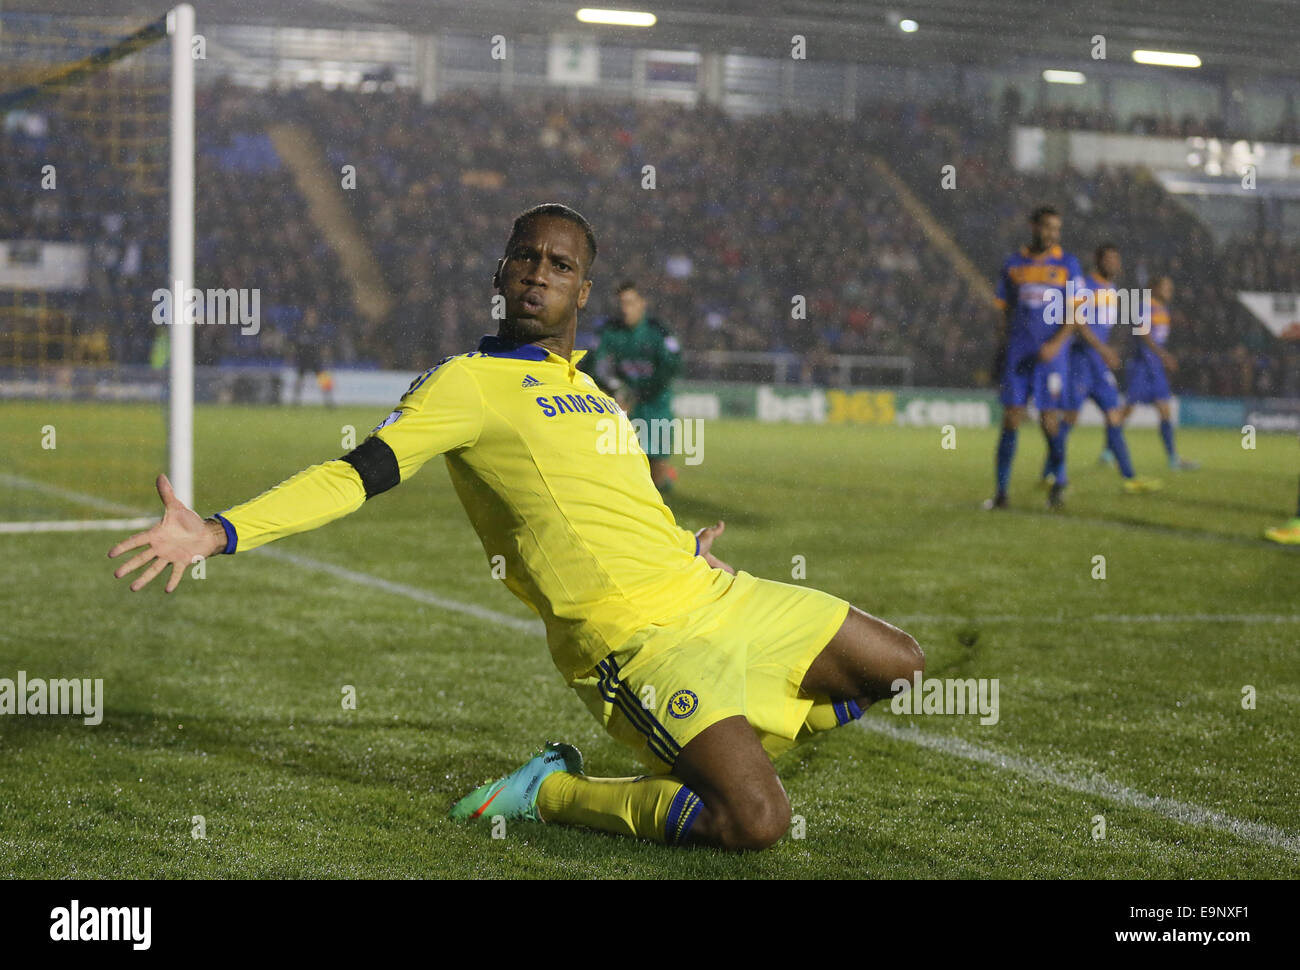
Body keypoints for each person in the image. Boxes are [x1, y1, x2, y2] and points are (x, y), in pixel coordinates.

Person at [108, 203, 923, 851]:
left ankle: (738, 730)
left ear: (583, 291)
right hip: (634, 639)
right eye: (525, 257)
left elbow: (611, 496)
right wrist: (220, 531)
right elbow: (359, 474)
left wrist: (682, 545)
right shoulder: (466, 384)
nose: (539, 273)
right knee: (756, 824)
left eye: (559, 264)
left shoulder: (592, 390)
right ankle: (551, 792)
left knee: (900, 665)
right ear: (501, 273)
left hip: (712, 592)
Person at [986, 205, 1083, 511]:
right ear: (1033, 226)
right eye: (1047, 227)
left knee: (1048, 421)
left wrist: (1056, 344)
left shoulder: (1068, 264)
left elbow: (1076, 312)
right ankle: (1001, 493)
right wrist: (1002, 348)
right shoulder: (1014, 263)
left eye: (1056, 229)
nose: (1052, 234)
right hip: (1019, 353)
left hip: (1052, 357)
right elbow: (1005, 310)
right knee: (1011, 419)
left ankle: (1060, 480)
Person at [1048, 243, 1161, 494]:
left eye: (1116, 259)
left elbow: (1107, 325)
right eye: (1109, 259)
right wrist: (1102, 349)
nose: (1114, 264)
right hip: (1080, 362)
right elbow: (1078, 323)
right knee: (1069, 419)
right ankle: (1052, 470)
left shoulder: (1113, 290)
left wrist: (1111, 349)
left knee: (1114, 417)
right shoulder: (1086, 287)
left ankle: (1130, 477)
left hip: (1099, 366)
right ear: (1097, 261)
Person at [582, 281, 682, 493]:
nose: (624, 308)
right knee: (614, 467)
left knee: (656, 476)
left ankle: (665, 479)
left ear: (642, 304)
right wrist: (611, 390)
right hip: (623, 405)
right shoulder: (609, 331)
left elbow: (672, 367)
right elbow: (591, 365)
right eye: (621, 303)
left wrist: (639, 393)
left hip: (655, 405)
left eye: (630, 302)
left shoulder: (658, 331)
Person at [1120, 275, 1198, 470]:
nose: (1169, 291)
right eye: (1166, 287)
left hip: (1155, 367)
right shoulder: (1144, 305)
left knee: (1165, 410)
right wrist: (1163, 355)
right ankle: (1108, 450)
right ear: (1154, 288)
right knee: (1128, 409)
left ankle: (1173, 458)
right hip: (1141, 365)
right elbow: (1143, 332)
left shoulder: (1164, 310)